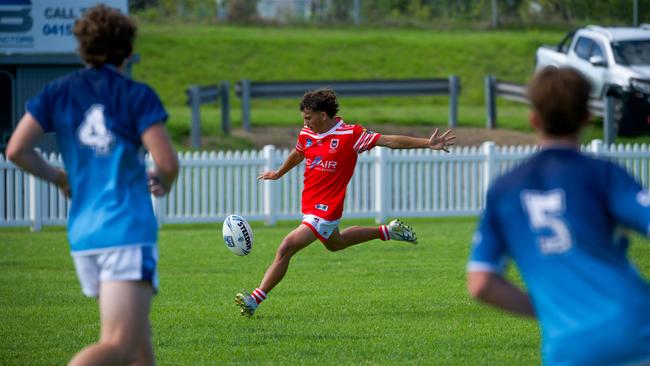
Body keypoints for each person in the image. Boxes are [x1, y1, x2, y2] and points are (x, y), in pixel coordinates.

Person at [6, 5, 178, 366]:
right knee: (118, 344)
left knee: (140, 350)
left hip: (85, 233)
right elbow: (166, 162)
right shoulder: (136, 95)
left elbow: (17, 149)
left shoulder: (57, 92)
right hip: (126, 232)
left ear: (81, 47)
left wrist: (59, 178)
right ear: (129, 50)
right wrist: (162, 181)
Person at [467, 66, 650, 365]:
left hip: (569, 346)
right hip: (636, 327)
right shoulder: (604, 175)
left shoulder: (505, 189)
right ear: (586, 118)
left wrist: (546, 307)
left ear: (534, 119)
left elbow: (481, 283)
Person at [236, 88, 456, 317]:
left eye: (308, 118)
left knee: (287, 247)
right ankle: (388, 231)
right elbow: (299, 152)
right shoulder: (306, 133)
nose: (305, 123)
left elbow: (389, 140)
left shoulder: (351, 134)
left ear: (323, 115)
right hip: (310, 204)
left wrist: (427, 143)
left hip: (326, 208)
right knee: (336, 244)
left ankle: (254, 300)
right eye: (304, 118)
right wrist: (279, 173)